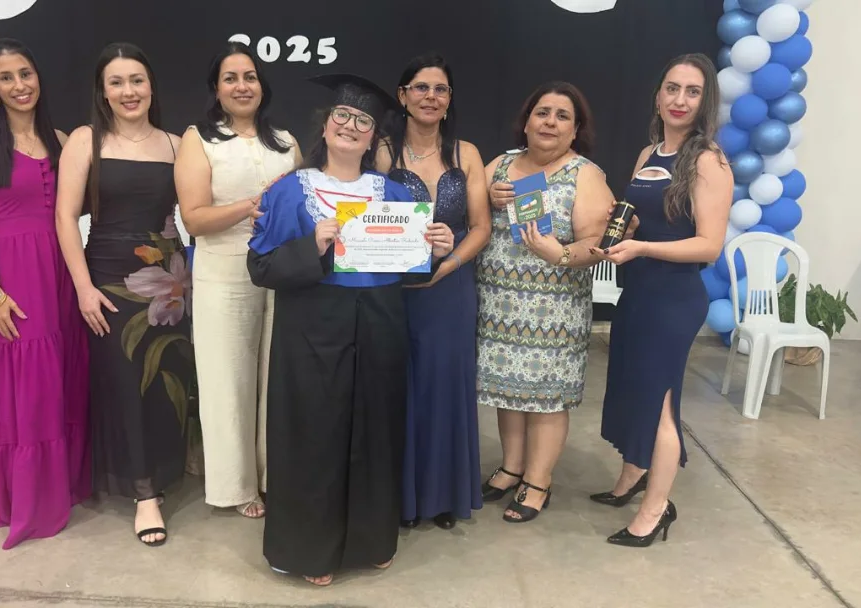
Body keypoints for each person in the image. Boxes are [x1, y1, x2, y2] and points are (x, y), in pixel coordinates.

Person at [249, 74, 454, 585]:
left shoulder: (393, 193)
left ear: (373, 138)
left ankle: (370, 540)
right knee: (315, 435)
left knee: (375, 431)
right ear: (325, 126)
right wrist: (313, 245)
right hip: (312, 328)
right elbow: (261, 267)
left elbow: (410, 270)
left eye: (363, 121)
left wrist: (436, 250)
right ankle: (310, 552)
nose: (350, 126)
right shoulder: (290, 191)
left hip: (380, 324)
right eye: (341, 116)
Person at [55, 42, 197, 547]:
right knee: (124, 385)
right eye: (116, 82)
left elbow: (197, 210)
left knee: (166, 382)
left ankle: (169, 467)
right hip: (110, 280)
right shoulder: (85, 140)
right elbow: (64, 217)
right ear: (103, 91)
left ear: (151, 86)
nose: (128, 91)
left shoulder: (178, 145)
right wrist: (83, 287)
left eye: (136, 80)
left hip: (171, 283)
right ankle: (144, 493)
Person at [590, 53, 733, 547]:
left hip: (673, 300)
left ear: (704, 101)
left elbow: (708, 246)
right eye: (672, 88)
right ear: (658, 95)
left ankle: (656, 510)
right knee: (633, 388)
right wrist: (625, 229)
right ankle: (631, 476)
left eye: (693, 91)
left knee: (660, 401)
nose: (680, 100)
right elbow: (643, 219)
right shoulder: (648, 153)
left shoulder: (709, 161)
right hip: (638, 291)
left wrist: (644, 247)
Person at [0, 38, 90, 550]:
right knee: (28, 379)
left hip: (61, 268)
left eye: (26, 73)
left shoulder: (61, 140)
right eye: (7, 77)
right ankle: (28, 497)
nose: (19, 85)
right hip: (15, 272)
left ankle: (63, 483)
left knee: (61, 374)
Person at [175, 42, 301, 519]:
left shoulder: (285, 142)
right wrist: (252, 206)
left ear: (262, 85)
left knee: (276, 379)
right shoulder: (199, 139)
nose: (242, 86)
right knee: (228, 382)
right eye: (230, 78)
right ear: (216, 88)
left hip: (282, 275)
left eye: (250, 77)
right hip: (223, 273)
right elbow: (194, 218)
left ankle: (274, 476)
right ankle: (236, 485)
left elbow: (305, 206)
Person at [477, 82, 612, 523]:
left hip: (553, 310)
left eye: (562, 116)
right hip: (498, 306)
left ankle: (538, 481)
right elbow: (469, 215)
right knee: (509, 389)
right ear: (527, 121)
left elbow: (599, 242)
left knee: (546, 396)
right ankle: (511, 467)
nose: (550, 122)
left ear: (575, 129)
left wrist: (561, 254)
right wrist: (487, 196)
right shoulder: (500, 165)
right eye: (542, 112)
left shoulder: (584, 174)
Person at [376, 53, 490, 531]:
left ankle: (442, 496)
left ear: (449, 99)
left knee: (445, 386)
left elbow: (481, 227)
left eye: (440, 89)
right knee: (397, 386)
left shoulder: (467, 154)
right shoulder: (382, 151)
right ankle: (397, 496)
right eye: (421, 87)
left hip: (450, 288)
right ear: (402, 96)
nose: (430, 97)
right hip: (393, 288)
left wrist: (449, 264)